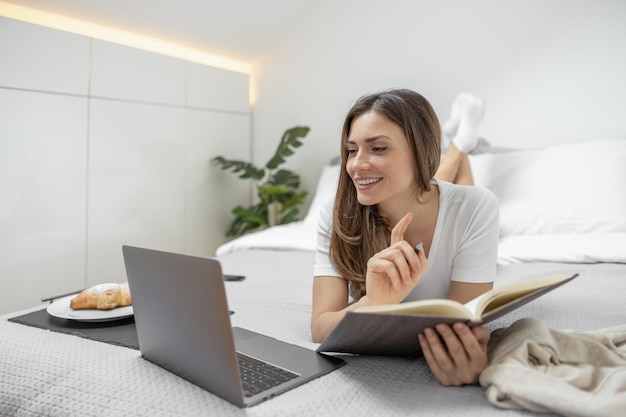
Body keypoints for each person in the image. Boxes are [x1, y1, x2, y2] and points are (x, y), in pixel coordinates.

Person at [311, 89, 499, 386]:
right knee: (431, 189)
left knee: (464, 196)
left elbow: (461, 327)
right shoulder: (335, 215)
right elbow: (320, 327)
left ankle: (461, 143)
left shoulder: (477, 207)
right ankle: (461, 143)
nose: (356, 164)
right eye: (351, 150)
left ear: (422, 150)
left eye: (378, 148)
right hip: (428, 191)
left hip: (457, 207)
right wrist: (374, 303)